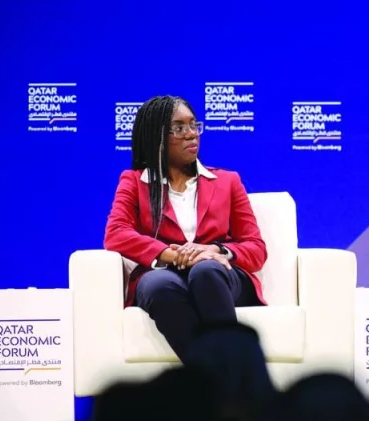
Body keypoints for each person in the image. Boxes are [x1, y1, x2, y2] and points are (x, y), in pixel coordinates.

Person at [104, 95, 268, 363]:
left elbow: (256, 248)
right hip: (165, 274)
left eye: (194, 125)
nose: (191, 134)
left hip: (220, 277)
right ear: (156, 136)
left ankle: (219, 384)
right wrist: (174, 255)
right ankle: (219, 384)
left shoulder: (227, 181)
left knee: (205, 270)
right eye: (179, 128)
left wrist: (214, 250)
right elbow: (116, 233)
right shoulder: (134, 182)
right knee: (157, 284)